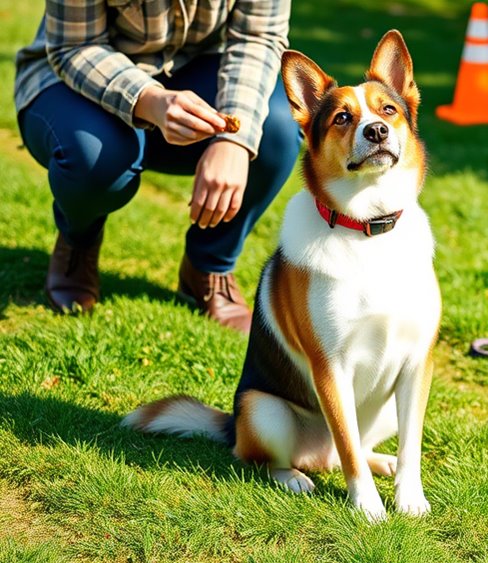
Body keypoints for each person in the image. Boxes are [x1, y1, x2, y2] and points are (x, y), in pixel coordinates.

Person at [14, 0, 299, 334]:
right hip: (70, 78)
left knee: (275, 130)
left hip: (192, 68)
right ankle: (79, 241)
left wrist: (234, 141)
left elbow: (258, 37)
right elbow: (74, 46)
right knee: (94, 159)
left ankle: (208, 265)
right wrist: (149, 100)